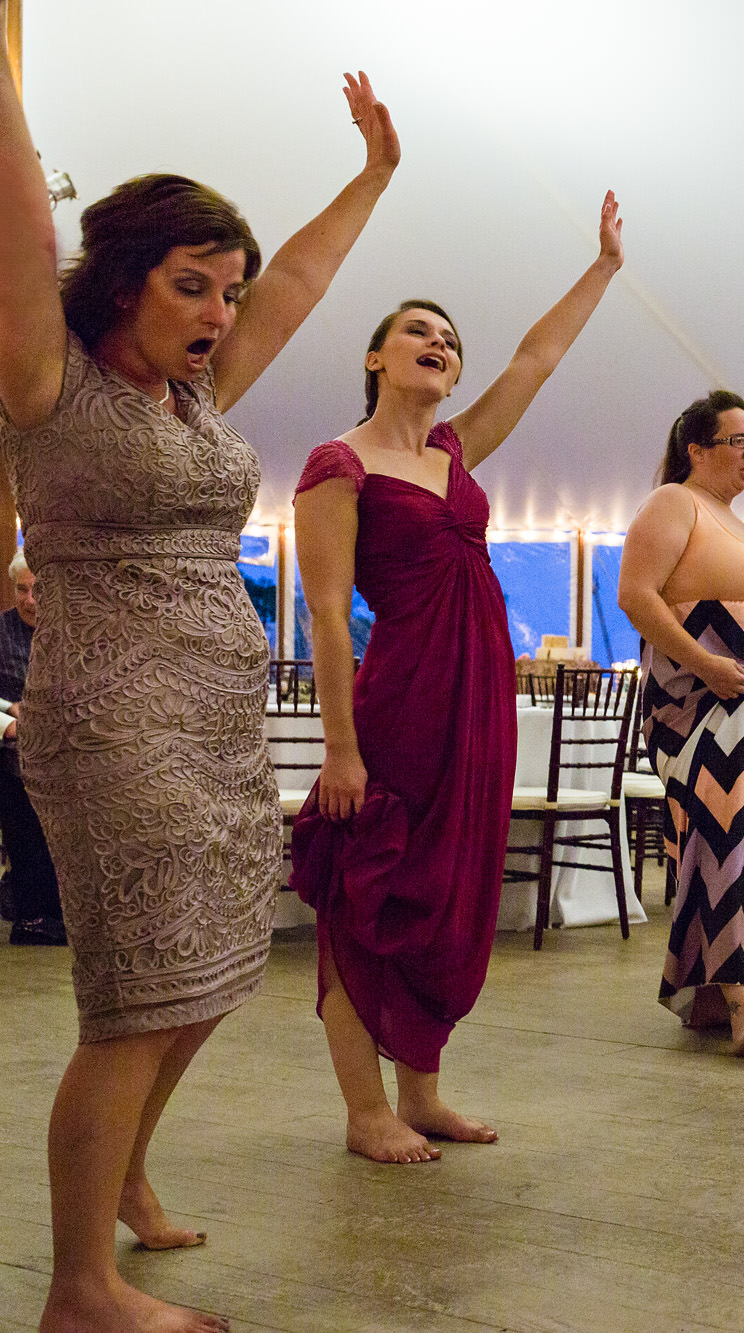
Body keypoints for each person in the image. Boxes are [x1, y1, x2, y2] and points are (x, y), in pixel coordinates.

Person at [0, 68, 398, 1333]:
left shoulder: (195, 394)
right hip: (113, 720)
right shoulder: (48, 382)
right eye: (192, 283)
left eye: (227, 286)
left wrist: (375, 178)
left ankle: (122, 1176)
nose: (223, 309)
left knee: (207, 975)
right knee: (135, 994)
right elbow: (20, 226)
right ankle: (79, 1290)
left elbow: (297, 287)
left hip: (215, 724)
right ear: (122, 280)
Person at [290, 194, 625, 1164]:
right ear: (375, 358)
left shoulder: (453, 449)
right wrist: (340, 750)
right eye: (415, 331)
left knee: (445, 895)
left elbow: (535, 360)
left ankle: (422, 1091)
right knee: (368, 896)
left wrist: (601, 267)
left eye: (448, 337)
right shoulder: (335, 465)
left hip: (476, 712)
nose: (437, 342)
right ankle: (365, 1110)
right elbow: (323, 613)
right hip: (397, 705)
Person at [618, 391, 744, 1056]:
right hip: (699, 695)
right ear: (697, 448)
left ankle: (715, 996)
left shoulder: (730, 517)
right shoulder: (674, 501)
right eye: (737, 441)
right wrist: (708, 663)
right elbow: (636, 594)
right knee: (729, 826)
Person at [0, 551, 62, 946]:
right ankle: (31, 921)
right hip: (12, 761)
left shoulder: (69, 630)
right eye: (22, 590)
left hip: (65, 760)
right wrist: (9, 721)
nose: (30, 599)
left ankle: (59, 918)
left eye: (37, 589)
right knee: (25, 833)